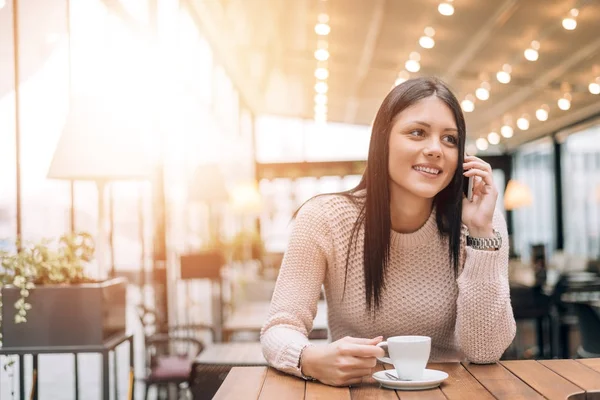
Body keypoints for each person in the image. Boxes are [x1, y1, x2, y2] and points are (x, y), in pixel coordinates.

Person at [260, 77, 516, 387]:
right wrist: (309, 358)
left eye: (449, 139)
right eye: (417, 133)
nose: (436, 149)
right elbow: (279, 327)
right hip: (359, 391)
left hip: (452, 392)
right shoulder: (324, 218)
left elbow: (486, 351)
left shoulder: (481, 223)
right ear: (383, 141)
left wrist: (480, 233)